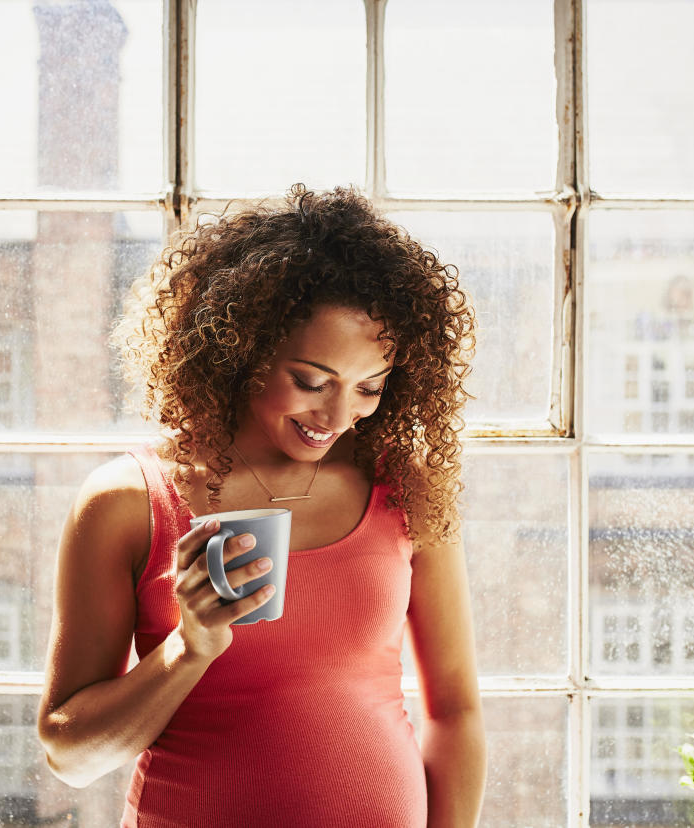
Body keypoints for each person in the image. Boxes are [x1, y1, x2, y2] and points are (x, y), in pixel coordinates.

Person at [37, 185, 486, 827]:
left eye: (369, 389)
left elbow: (455, 713)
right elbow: (69, 755)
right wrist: (189, 648)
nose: (337, 417)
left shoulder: (402, 489)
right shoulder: (128, 503)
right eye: (310, 380)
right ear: (240, 347)